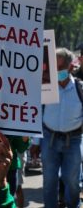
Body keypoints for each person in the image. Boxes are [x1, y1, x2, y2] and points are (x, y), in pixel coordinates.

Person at [42, 48, 82, 208]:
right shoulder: (46, 88)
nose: (57, 72)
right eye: (54, 68)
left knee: (72, 180)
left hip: (73, 141)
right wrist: (36, 144)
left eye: (60, 68)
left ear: (70, 67)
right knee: (49, 180)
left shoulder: (80, 88)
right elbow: (39, 112)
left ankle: (73, 205)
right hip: (49, 140)